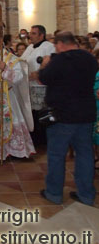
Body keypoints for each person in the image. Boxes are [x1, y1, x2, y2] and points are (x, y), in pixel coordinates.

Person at [38, 31, 97, 206]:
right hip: (85, 113)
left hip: (62, 115)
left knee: (56, 155)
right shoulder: (90, 59)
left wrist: (45, 65)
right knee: (85, 154)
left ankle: (54, 193)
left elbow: (44, 79)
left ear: (61, 44)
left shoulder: (59, 61)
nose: (55, 48)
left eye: (56, 44)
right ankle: (86, 194)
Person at [0, 30, 35, 160]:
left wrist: (6, 70)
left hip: (6, 97)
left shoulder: (10, 58)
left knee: (9, 122)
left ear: (0, 42)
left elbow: (19, 77)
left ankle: (14, 151)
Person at [21, 25, 55, 145]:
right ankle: (35, 138)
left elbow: (50, 62)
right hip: (29, 85)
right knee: (32, 113)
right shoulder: (30, 47)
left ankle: (43, 140)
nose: (30, 35)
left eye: (34, 33)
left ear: (42, 35)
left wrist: (39, 72)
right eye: (30, 33)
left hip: (41, 86)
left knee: (41, 112)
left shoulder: (49, 47)